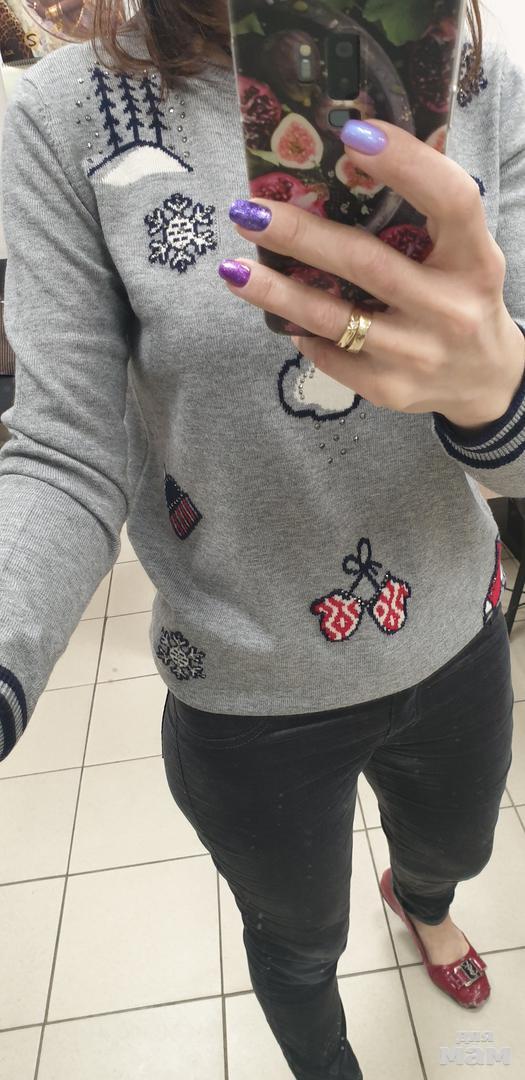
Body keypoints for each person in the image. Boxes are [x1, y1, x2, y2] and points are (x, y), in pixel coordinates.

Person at [1, 1, 524, 1077]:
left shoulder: (478, 81)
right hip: (243, 684)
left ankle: (421, 902)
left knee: (456, 850)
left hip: (455, 628)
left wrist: (497, 402)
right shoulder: (65, 114)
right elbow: (62, 451)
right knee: (295, 939)